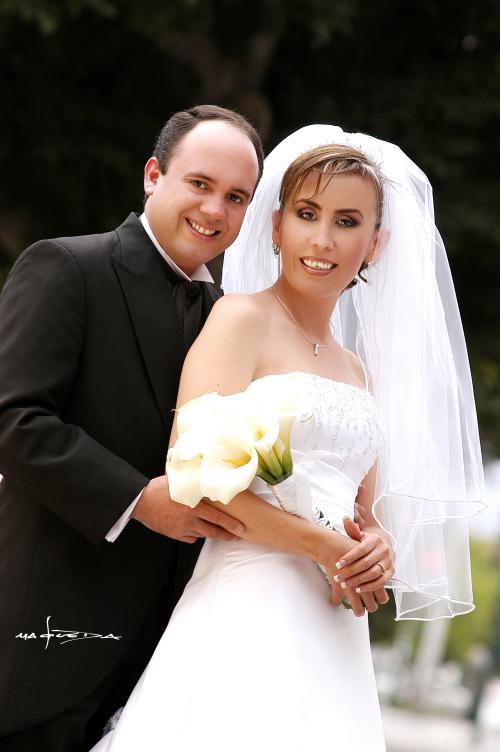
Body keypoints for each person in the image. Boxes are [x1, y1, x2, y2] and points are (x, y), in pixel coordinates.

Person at [88, 127, 484, 751]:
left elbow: (364, 513)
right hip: (247, 606)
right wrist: (326, 548)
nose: (322, 239)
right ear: (276, 227)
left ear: (375, 244)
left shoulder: (359, 371)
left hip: (332, 628)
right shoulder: (238, 318)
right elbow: (193, 479)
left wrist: (376, 545)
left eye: (346, 221)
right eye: (306, 214)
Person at [0, 104, 265, 751]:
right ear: (154, 175)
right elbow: (14, 417)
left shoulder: (234, 319)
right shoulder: (66, 268)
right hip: (44, 638)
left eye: (236, 197)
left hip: (162, 662)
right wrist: (136, 500)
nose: (214, 211)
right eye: (199, 184)